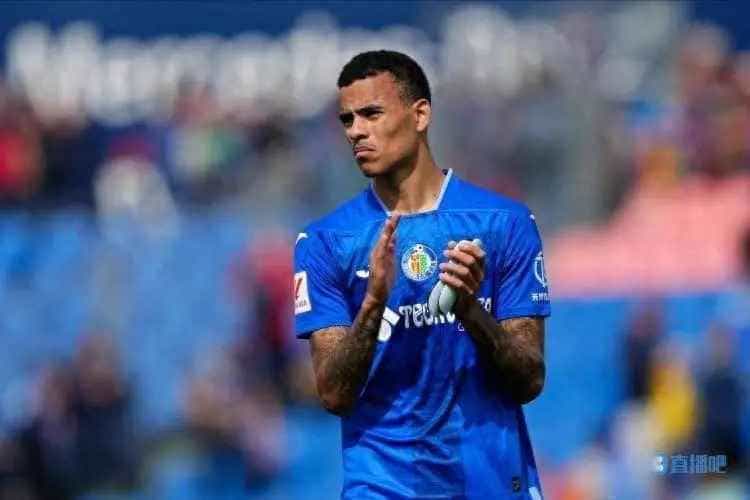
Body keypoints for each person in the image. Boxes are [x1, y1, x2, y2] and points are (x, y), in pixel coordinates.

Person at [293, 50, 550, 499]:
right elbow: (333, 394)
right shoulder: (327, 242)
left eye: (372, 114)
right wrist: (374, 302)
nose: (356, 131)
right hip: (384, 486)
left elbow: (529, 380)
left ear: (420, 115)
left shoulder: (503, 224)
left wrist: (470, 310)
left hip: (488, 482)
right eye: (348, 120)